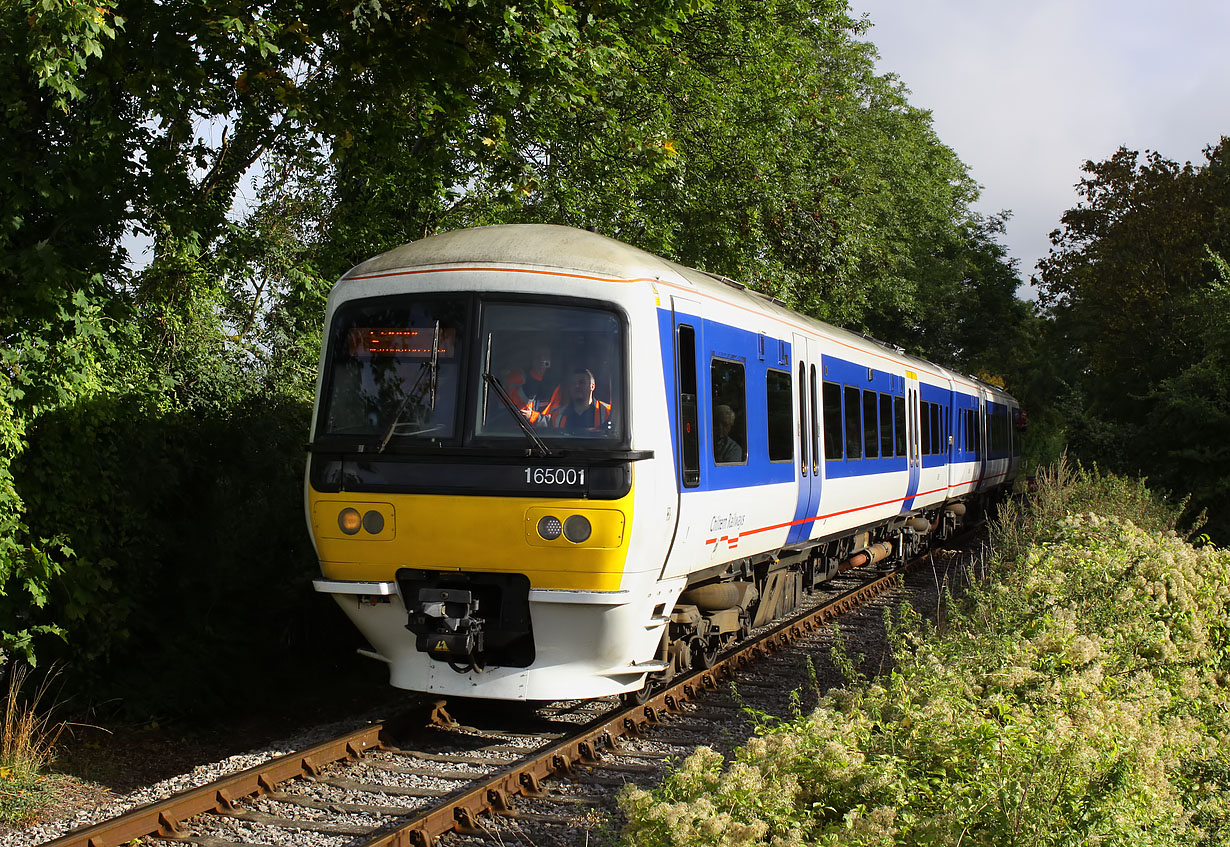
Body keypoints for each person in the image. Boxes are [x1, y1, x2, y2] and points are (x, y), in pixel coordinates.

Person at [504, 344, 561, 426]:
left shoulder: (558, 386)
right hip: (517, 432)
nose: (542, 360)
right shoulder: (517, 376)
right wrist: (536, 376)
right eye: (538, 357)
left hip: (546, 436)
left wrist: (533, 417)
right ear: (531, 359)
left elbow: (556, 422)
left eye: (546, 357)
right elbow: (515, 405)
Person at [552, 367, 613, 433]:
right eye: (573, 383)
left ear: (592, 386)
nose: (577, 386)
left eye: (582, 382)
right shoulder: (557, 414)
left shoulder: (608, 412)